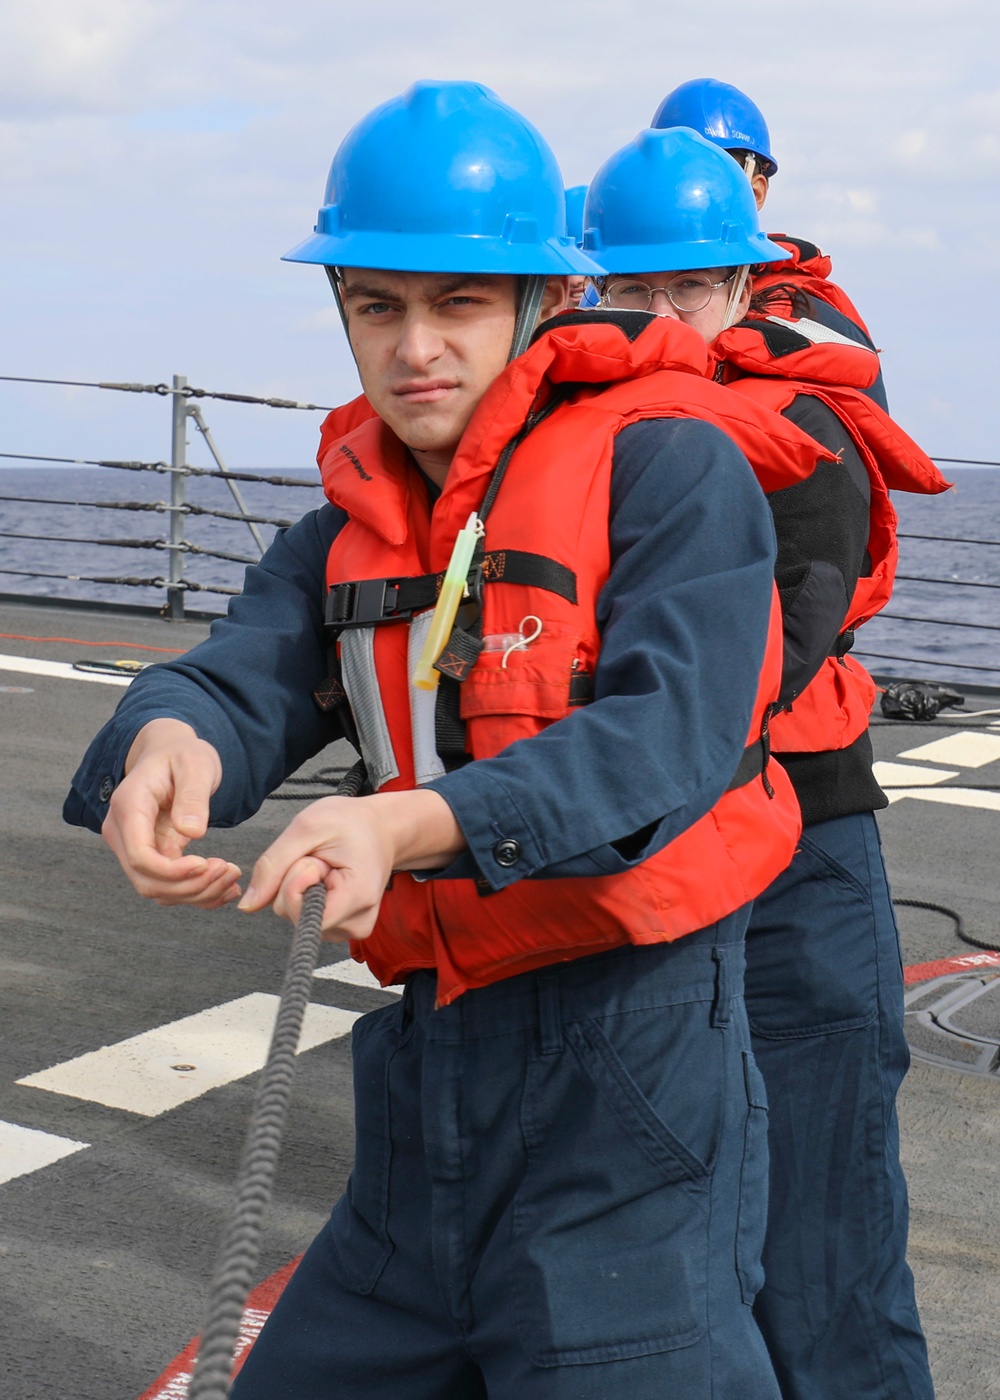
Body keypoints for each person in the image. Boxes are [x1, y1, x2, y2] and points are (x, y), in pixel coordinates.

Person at [63, 80, 830, 1399]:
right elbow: (246, 670)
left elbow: (672, 733)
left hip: (631, 1081)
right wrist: (165, 748)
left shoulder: (669, 468)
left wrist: (408, 824)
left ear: (543, 302)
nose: (416, 345)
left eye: (459, 302)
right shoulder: (348, 527)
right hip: (431, 1075)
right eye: (379, 304)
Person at [583, 123, 946, 1400]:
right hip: (648, 855)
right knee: (655, 1229)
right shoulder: (566, 428)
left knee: (827, 1232)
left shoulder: (803, 428)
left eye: (690, 287)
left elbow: (779, 638)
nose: (664, 317)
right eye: (634, 290)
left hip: (796, 842)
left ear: (744, 289)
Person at [651, 77, 889, 410]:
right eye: (678, 171)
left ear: (757, 191)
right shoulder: (614, 292)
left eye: (717, 174)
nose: (696, 187)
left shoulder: (810, 317)